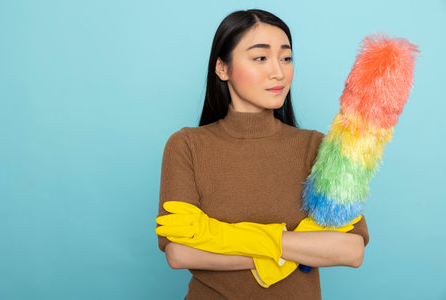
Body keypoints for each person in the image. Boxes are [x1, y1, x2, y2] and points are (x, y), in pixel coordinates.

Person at [155, 9, 369, 299]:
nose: (278, 72)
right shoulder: (187, 145)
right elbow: (180, 253)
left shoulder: (316, 148)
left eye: (286, 58)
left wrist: (219, 237)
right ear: (222, 68)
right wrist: (295, 248)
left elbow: (352, 249)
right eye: (260, 58)